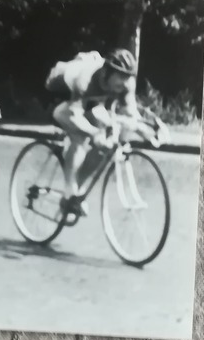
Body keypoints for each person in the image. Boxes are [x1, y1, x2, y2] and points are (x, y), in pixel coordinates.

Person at [45, 48, 162, 216]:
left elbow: (130, 114)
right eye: (120, 76)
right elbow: (74, 115)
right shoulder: (84, 79)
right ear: (107, 72)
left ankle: (77, 193)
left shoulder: (126, 83)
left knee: (107, 143)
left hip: (89, 102)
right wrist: (93, 133)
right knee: (80, 137)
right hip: (60, 95)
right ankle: (69, 192)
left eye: (127, 77)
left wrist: (149, 130)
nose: (124, 82)